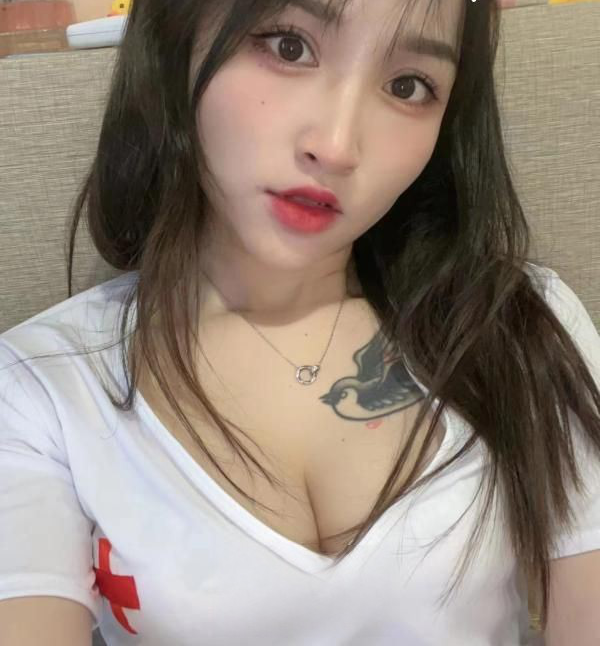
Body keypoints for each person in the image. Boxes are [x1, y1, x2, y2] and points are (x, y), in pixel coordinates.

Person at [1, 0, 599, 644]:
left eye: (408, 86)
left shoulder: (517, 322)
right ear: (175, 43)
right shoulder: (41, 386)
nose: (337, 147)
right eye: (288, 46)